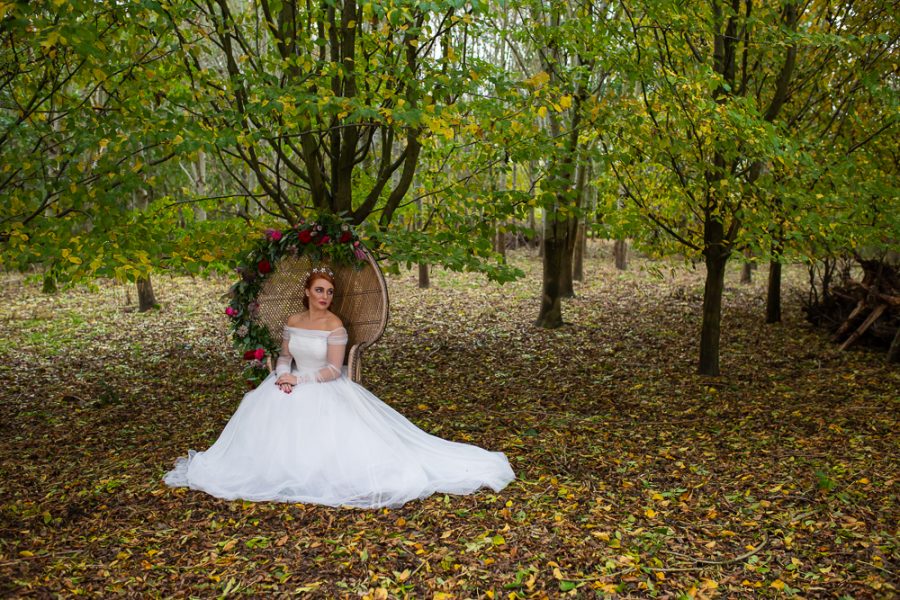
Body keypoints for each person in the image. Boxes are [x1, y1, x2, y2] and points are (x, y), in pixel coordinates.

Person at [164, 267, 515, 508]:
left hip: (322, 384)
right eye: (319, 290)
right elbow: (284, 355)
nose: (325, 296)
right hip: (291, 382)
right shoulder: (293, 321)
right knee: (263, 406)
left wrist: (299, 380)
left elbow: (334, 369)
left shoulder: (335, 324)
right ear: (306, 292)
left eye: (329, 292)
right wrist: (282, 376)